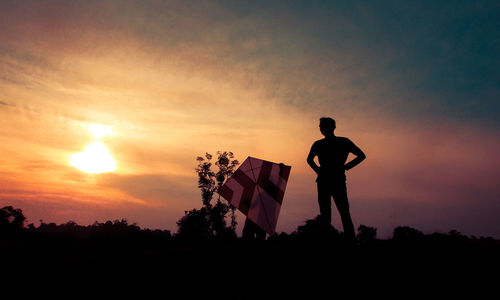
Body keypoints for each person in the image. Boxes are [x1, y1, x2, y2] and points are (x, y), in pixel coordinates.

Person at [307, 117, 366, 242]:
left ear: (332, 127)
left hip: (333, 180)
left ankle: (348, 241)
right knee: (331, 213)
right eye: (320, 126)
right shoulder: (322, 143)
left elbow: (362, 155)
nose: (321, 129)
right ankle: (331, 241)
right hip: (326, 180)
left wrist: (346, 166)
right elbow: (309, 159)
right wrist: (318, 170)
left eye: (323, 126)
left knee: (341, 212)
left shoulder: (341, 142)